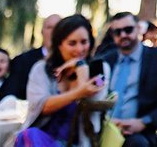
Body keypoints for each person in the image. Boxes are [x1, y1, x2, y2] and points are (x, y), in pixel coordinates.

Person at [15, 14, 110, 147]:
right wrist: (77, 93)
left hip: (79, 143)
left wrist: (80, 66)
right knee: (30, 135)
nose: (79, 49)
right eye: (72, 43)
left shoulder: (101, 69)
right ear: (59, 45)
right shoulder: (41, 69)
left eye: (84, 42)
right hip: (41, 139)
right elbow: (41, 106)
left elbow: (93, 102)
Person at [96, 11, 157, 145]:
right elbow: (96, 86)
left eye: (128, 30)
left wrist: (145, 121)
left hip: (139, 131)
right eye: (118, 32)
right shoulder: (105, 60)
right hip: (103, 128)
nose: (123, 35)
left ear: (138, 28)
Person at [0, 13, 61, 102]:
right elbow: (7, 97)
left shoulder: (73, 62)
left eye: (58, 28)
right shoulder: (22, 61)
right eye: (49, 28)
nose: (54, 32)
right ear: (42, 31)